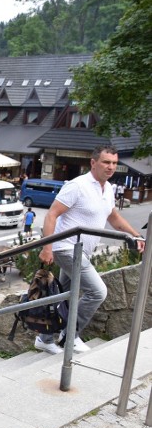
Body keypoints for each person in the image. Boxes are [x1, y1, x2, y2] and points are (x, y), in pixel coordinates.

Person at [35, 145, 146, 355]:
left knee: (63, 295)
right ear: (93, 163)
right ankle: (70, 335)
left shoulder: (108, 189)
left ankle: (44, 338)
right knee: (97, 291)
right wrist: (47, 247)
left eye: (114, 163)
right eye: (106, 162)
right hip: (67, 248)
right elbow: (52, 215)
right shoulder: (78, 186)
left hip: (82, 252)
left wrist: (136, 235)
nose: (111, 167)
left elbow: (113, 217)